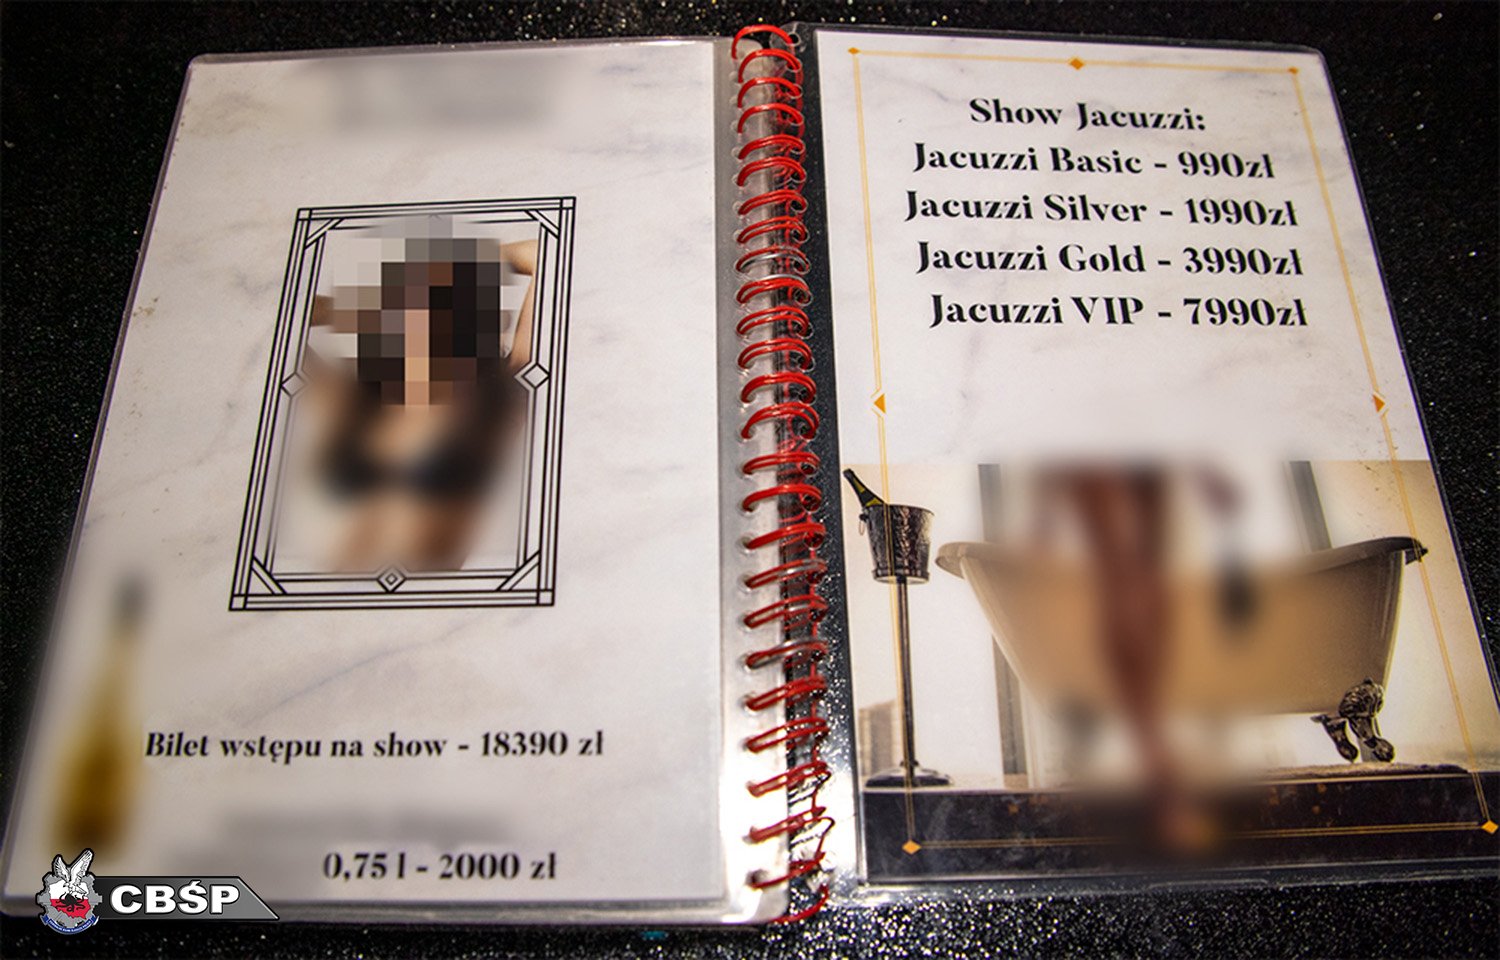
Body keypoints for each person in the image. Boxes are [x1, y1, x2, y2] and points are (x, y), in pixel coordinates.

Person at [300, 235, 539, 572]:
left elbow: (543, 256)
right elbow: (278, 319)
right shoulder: (354, 405)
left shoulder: (497, 407)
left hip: (413, 598)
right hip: (331, 592)